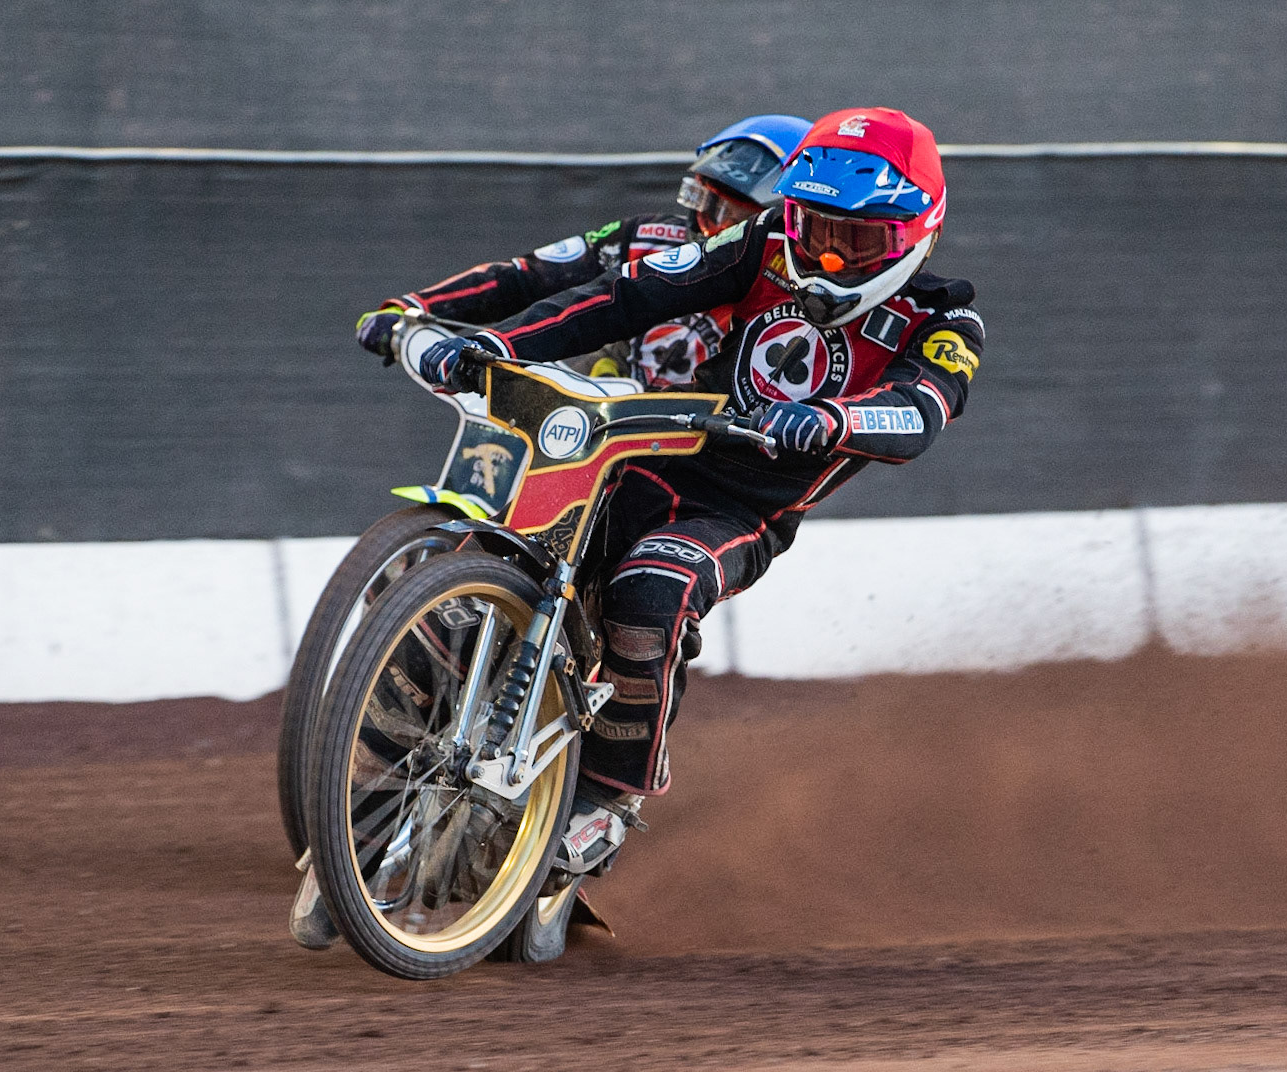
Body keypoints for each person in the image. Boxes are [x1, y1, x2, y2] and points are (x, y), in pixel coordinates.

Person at [412, 108, 986, 876]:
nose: (823, 255)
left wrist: (829, 420)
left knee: (654, 587)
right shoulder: (759, 243)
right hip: (643, 455)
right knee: (485, 548)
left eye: (854, 241)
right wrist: (498, 346)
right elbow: (628, 295)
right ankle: (375, 755)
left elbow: (917, 413)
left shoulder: (945, 321)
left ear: (917, 234)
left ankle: (607, 795)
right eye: (812, 227)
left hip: (742, 510)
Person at [355, 114, 813, 388]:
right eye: (708, 204)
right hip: (593, 418)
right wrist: (413, 308)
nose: (714, 229)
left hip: (704, 453)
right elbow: (526, 276)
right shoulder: (647, 236)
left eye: (736, 219)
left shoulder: (799, 291)